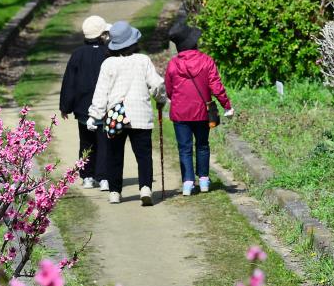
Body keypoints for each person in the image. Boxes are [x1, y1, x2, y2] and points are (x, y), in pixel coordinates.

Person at [87, 21, 168, 206]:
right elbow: (157, 84)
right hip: (140, 113)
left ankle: (115, 192)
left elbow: (101, 92)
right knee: (144, 154)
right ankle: (145, 188)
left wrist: (94, 115)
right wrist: (161, 99)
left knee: (114, 154)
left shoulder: (108, 63)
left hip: (116, 115)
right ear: (133, 42)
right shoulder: (143, 60)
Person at [165, 21, 233, 196]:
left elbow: (169, 90)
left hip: (180, 112)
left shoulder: (173, 64)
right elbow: (216, 86)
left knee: (184, 148)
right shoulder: (206, 61)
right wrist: (226, 105)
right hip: (202, 111)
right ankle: (203, 179)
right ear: (194, 43)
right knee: (202, 145)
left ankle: (188, 183)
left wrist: (178, 101)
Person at [59, 15, 111, 190]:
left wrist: (65, 106)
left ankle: (87, 175)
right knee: (104, 142)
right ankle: (103, 177)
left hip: (83, 108)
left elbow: (69, 82)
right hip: (104, 107)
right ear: (102, 35)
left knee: (86, 142)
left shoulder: (77, 54)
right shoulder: (108, 53)